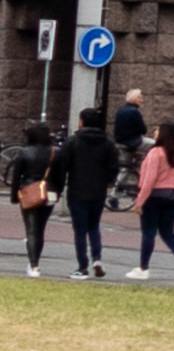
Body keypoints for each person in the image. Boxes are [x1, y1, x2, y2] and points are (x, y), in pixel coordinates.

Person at [50, 108, 119, 281]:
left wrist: (58, 188)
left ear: (82, 122)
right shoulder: (108, 143)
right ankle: (97, 258)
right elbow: (113, 168)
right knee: (94, 226)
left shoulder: (73, 141)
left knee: (80, 230)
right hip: (98, 192)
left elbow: (61, 165)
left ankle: (82, 266)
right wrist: (106, 181)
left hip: (77, 190)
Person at [130, 121, 174, 283]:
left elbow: (149, 180)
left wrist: (139, 201)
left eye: (158, 130)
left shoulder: (155, 153)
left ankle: (143, 268)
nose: (155, 132)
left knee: (149, 232)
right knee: (168, 232)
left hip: (155, 196)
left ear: (163, 134)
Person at [11, 122, 52, 277]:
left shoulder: (25, 152)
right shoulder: (55, 152)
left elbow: (16, 176)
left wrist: (15, 196)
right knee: (41, 228)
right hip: (48, 192)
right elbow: (60, 175)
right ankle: (35, 261)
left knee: (32, 229)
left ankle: (33, 264)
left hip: (29, 191)